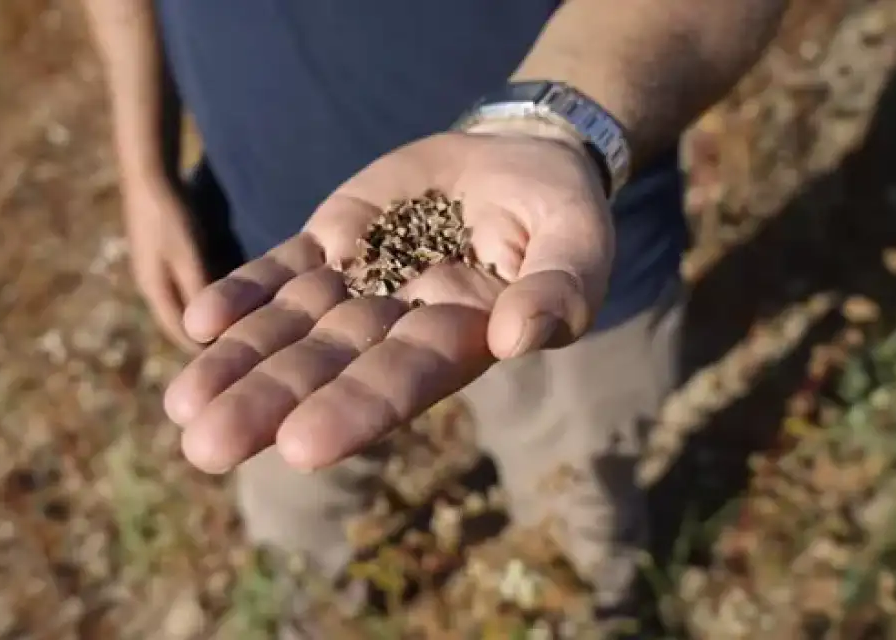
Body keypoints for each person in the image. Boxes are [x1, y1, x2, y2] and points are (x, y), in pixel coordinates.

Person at [82, 0, 787, 634]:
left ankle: (580, 615)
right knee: (293, 495)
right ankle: (303, 615)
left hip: (550, 235)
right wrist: (143, 170)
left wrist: (549, 128)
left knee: (579, 516)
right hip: (276, 260)